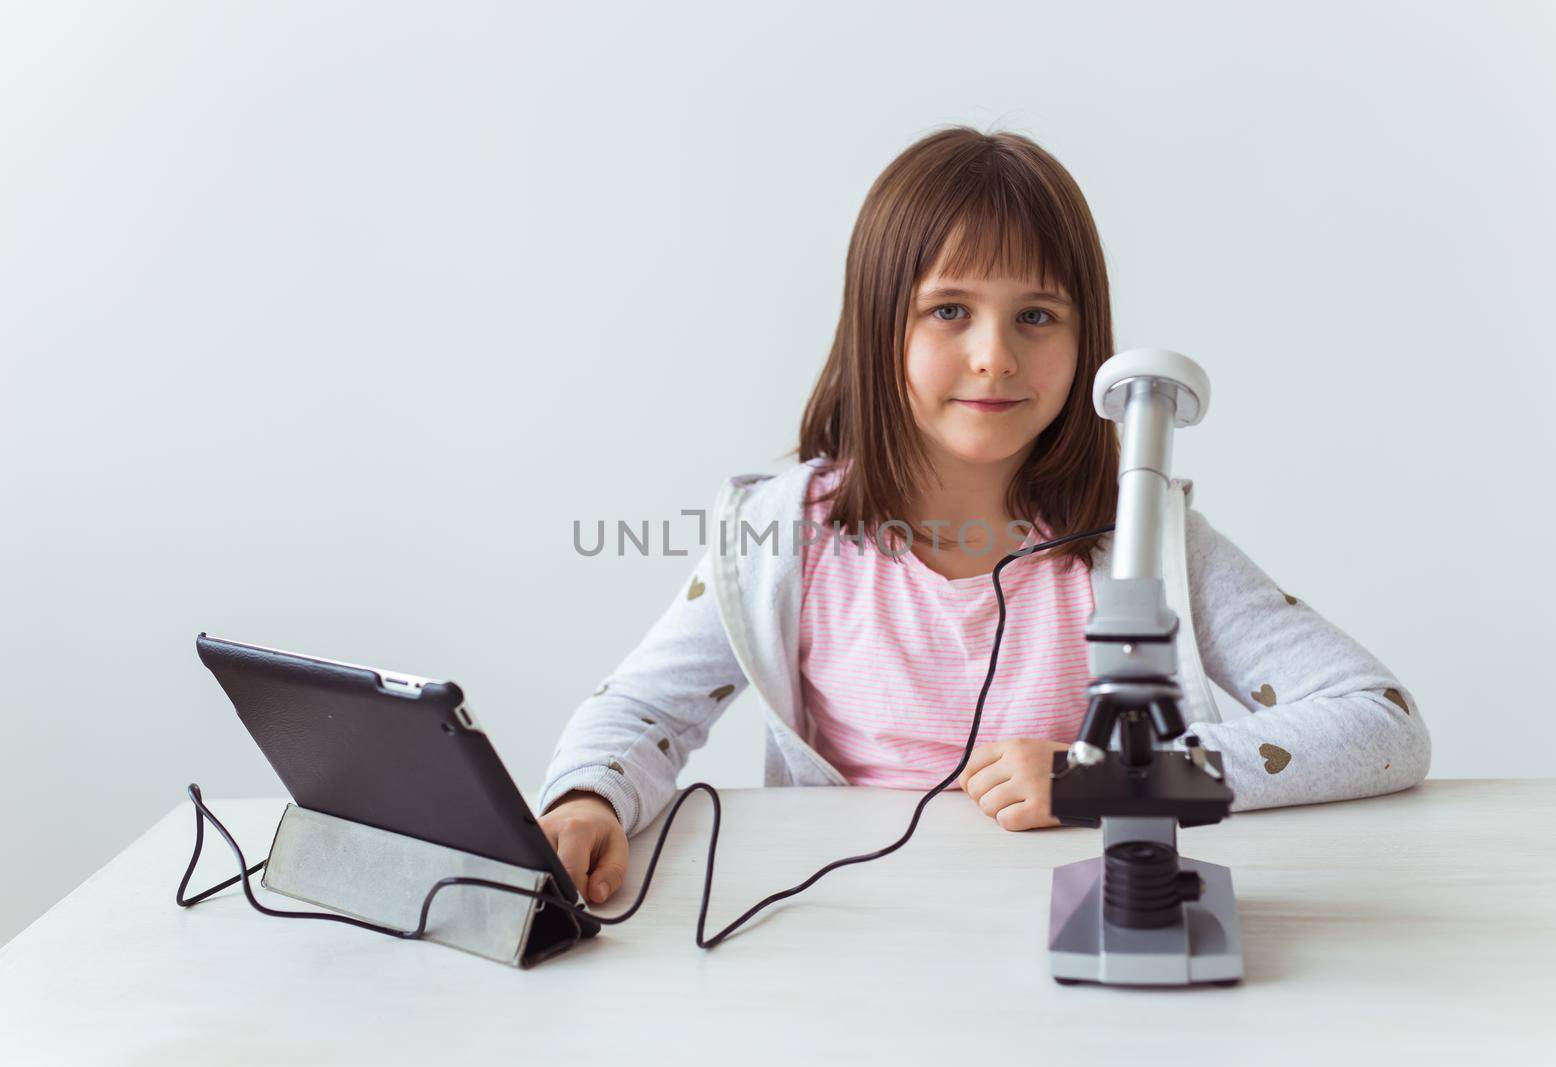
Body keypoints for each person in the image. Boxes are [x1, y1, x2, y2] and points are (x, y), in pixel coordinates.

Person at [535, 126, 1431, 906]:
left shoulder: (1144, 542)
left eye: (1036, 315)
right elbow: (642, 712)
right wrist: (587, 800)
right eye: (949, 310)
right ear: (877, 329)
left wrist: (1109, 780)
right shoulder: (780, 539)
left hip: (1068, 938)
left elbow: (1382, 725)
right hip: (840, 947)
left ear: (1089, 341)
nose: (995, 356)